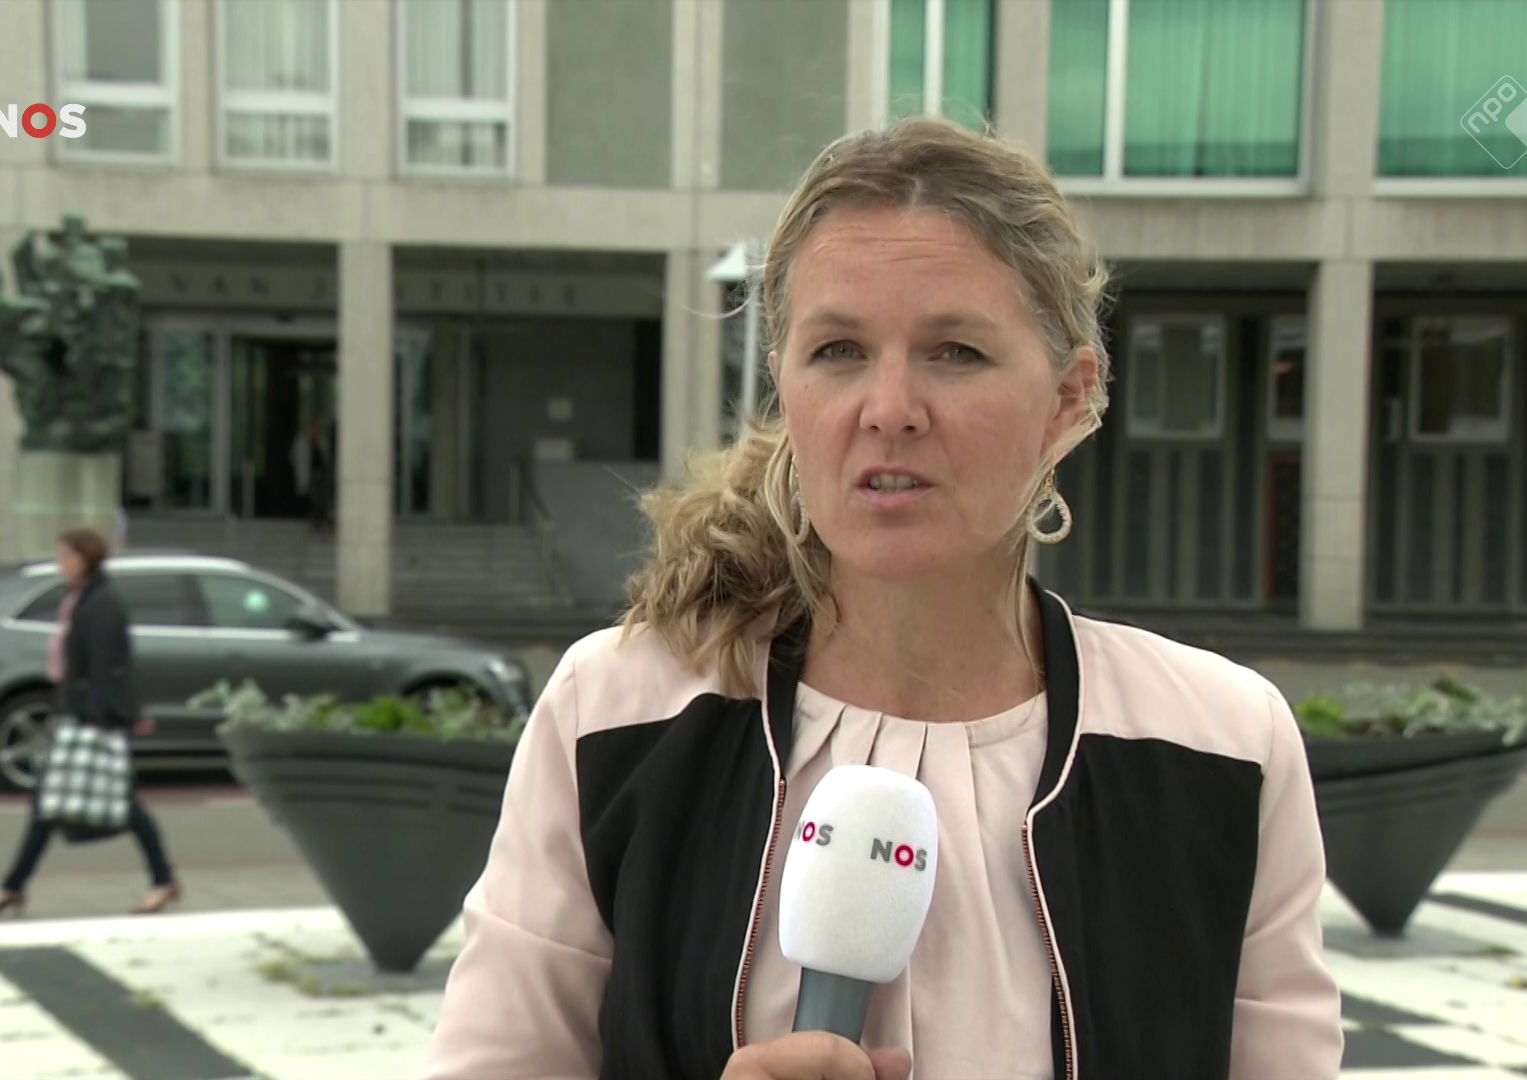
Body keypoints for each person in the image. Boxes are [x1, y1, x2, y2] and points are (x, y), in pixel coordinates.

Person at [426, 118, 1342, 1080]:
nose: (890, 409)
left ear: (1067, 400)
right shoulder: (615, 716)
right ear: (784, 385)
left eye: (956, 352)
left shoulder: (1222, 747)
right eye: (838, 350)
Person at [0, 528, 181, 919]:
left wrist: (96, 720)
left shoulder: (102, 604)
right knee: (54, 805)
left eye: (67, 557)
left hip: (92, 720)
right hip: (78, 715)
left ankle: (162, 881)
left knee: (113, 806)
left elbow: (106, 667)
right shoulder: (82, 599)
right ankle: (13, 886)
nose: (61, 564)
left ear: (86, 560)